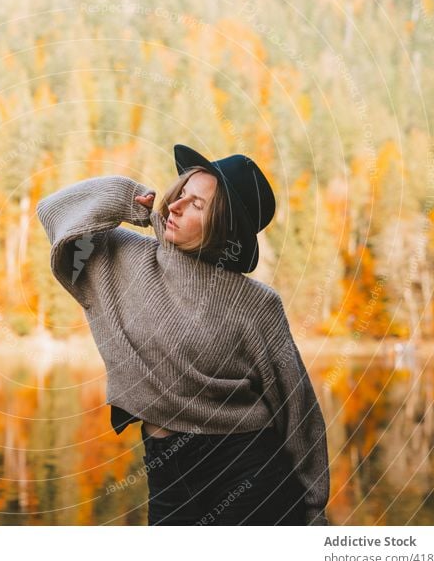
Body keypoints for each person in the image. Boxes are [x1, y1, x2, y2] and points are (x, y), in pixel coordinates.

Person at [36, 143, 330, 526]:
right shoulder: (126, 260)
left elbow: (297, 408)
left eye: (197, 204)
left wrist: (314, 508)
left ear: (223, 226)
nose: (175, 205)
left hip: (247, 469)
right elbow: (55, 212)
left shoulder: (256, 304)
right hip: (165, 468)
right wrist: (128, 200)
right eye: (182, 193)